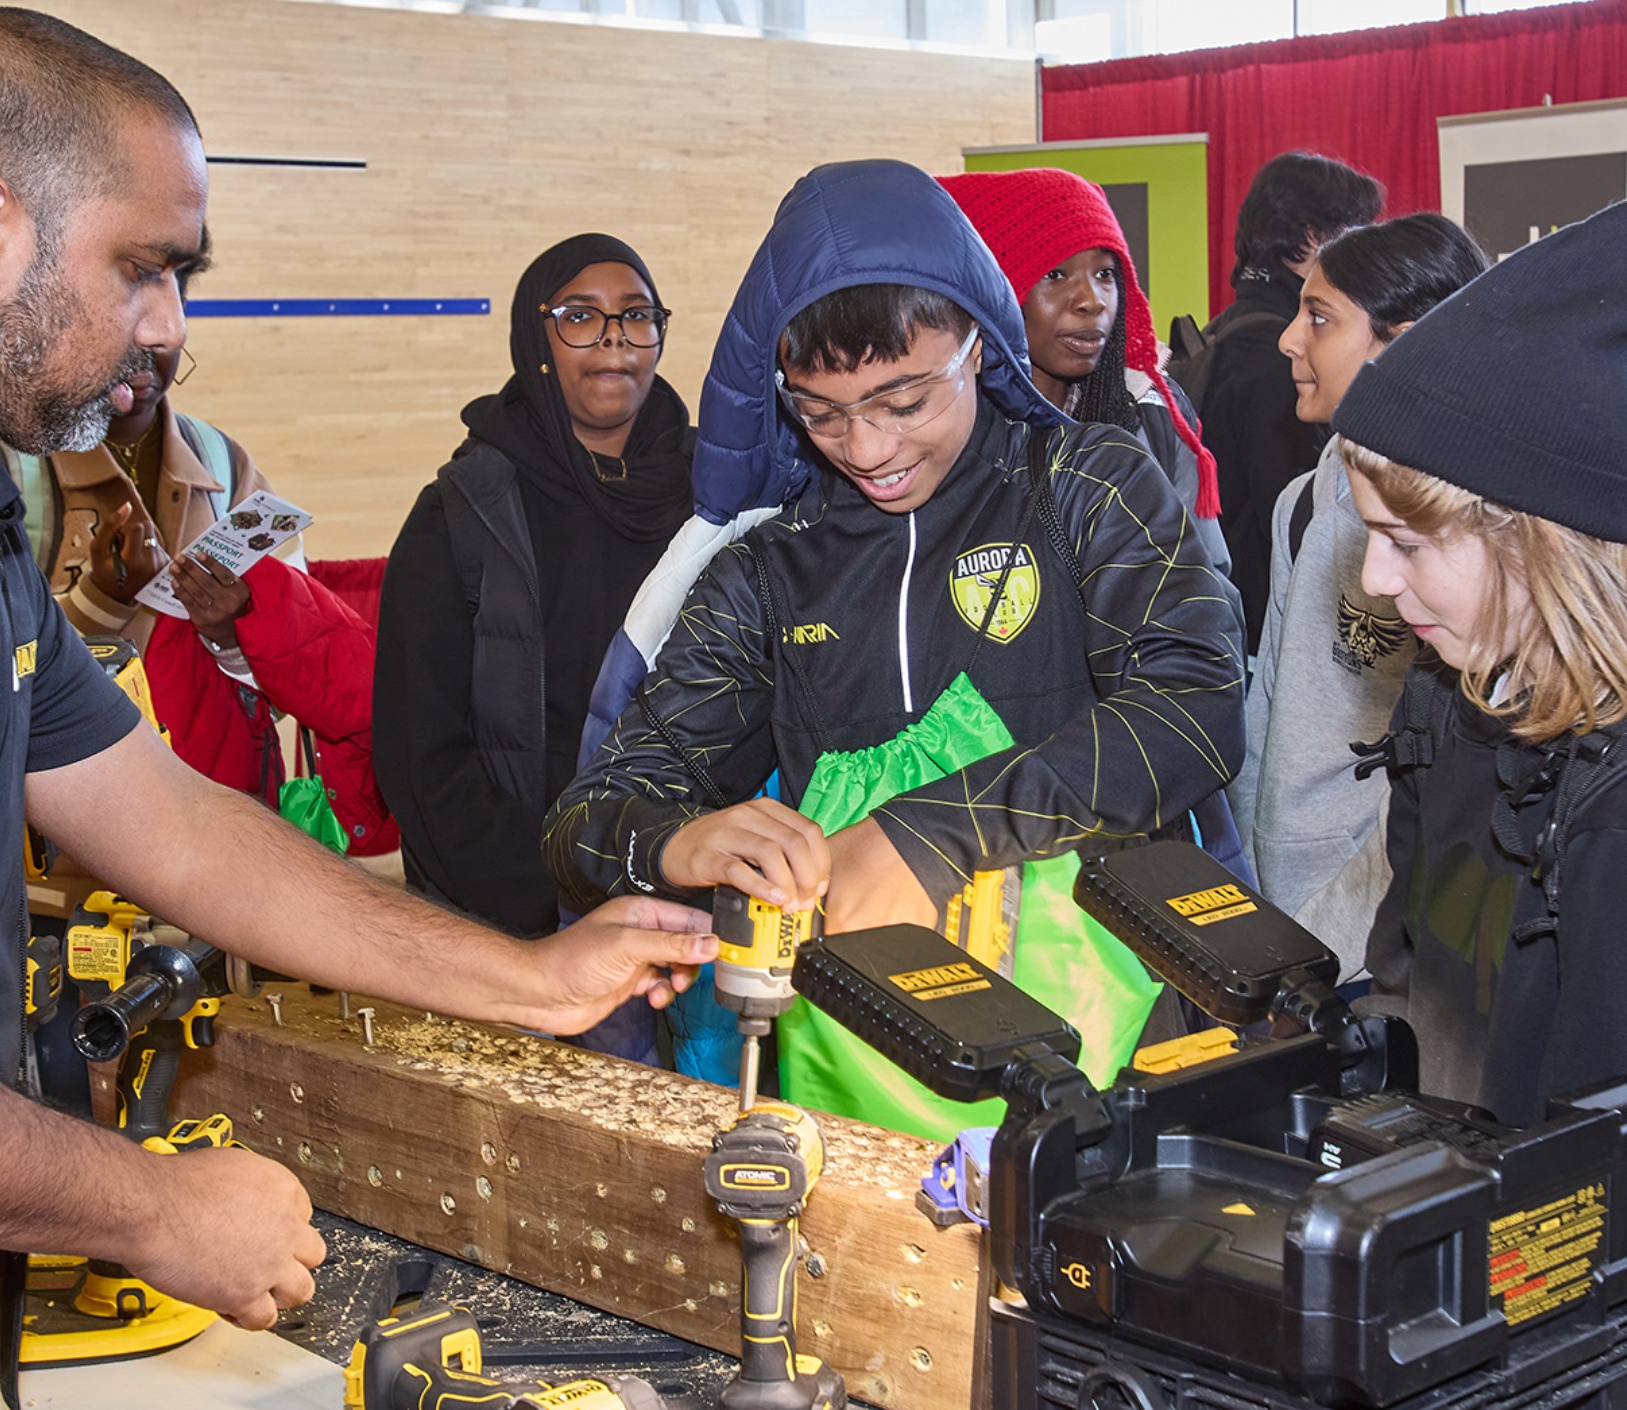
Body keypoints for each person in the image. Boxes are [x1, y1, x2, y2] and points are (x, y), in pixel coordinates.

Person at [0, 12, 712, 1403]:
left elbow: (164, 818)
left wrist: (522, 976)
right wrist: (152, 1209)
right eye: (146, 268)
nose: (168, 326)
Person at [543, 160, 1245, 1141]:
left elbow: (1194, 709)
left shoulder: (1086, 484)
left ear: (977, 341)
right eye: (820, 414)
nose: (867, 448)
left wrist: (935, 829)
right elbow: (582, 822)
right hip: (854, 1074)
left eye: (905, 401)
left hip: (1115, 1049)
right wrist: (675, 842)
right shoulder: (769, 572)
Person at [1336, 200, 1627, 1126]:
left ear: (1546, 546)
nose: (1378, 581)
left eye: (1408, 545)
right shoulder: (1447, 700)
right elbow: (1411, 978)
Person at [8, 316, 392, 919]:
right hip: (67, 836)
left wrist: (230, 631)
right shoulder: (13, 466)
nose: (142, 361)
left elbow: (288, 674)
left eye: (160, 345)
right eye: (119, 333)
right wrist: (102, 601)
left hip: (221, 812)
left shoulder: (224, 460)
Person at [375, 235, 693, 946]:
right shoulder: (462, 511)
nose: (614, 339)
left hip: (684, 896)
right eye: (580, 316)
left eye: (637, 316)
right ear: (537, 338)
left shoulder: (712, 496)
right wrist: (552, 894)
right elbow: (421, 753)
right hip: (508, 911)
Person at [1230, 214, 1487, 974]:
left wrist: (1336, 944)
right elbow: (1266, 703)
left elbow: (1435, 777)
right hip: (1278, 914)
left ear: (1399, 341)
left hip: (1381, 936)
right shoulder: (1303, 501)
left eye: (1319, 317)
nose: (1287, 339)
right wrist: (1246, 901)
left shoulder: (1461, 536)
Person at [937, 167, 1231, 577]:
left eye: (1105, 274)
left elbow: (1206, 586)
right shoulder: (940, 429)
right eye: (1055, 274)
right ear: (996, 290)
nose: (1092, 301)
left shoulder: (1152, 412)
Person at [1200, 152, 1383, 656]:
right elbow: (1302, 532)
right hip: (1268, 636)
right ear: (1309, 238)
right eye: (1356, 231)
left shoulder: (1226, 329)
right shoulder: (1283, 356)